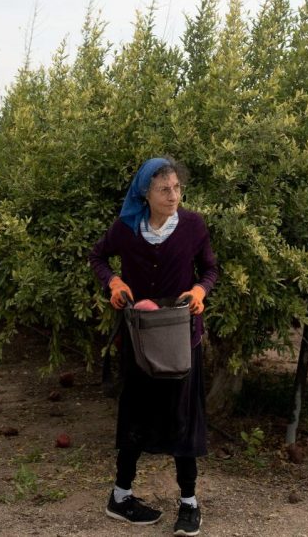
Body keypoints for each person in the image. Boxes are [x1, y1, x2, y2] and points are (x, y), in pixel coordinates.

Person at [89, 156, 218, 537]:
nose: (174, 195)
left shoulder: (193, 226)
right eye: (165, 189)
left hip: (181, 336)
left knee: (183, 415)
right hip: (141, 337)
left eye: (177, 187)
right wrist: (113, 282)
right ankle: (120, 495)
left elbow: (210, 269)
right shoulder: (127, 229)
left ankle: (189, 503)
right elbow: (97, 256)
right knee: (136, 412)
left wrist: (199, 290)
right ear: (146, 194)